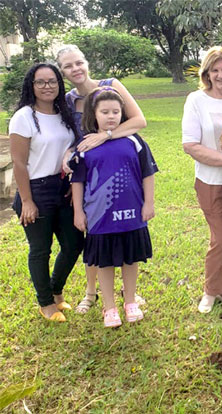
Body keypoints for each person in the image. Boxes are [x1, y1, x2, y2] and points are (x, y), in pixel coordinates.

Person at [56, 44, 149, 313]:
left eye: (78, 62)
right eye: (68, 66)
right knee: (93, 233)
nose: (75, 69)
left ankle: (128, 294)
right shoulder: (68, 100)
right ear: (62, 71)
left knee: (121, 230)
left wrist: (106, 136)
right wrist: (69, 152)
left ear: (86, 62)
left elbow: (138, 121)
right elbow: (75, 137)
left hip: (117, 164)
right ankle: (90, 292)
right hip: (87, 171)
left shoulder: (111, 86)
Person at [70, 88, 158, 328]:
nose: (111, 116)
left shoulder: (134, 142)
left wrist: (148, 203)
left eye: (116, 112)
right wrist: (78, 211)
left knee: (131, 259)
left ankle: (130, 301)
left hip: (132, 212)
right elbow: (77, 181)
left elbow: (148, 174)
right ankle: (109, 307)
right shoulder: (86, 146)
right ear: (94, 114)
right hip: (99, 217)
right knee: (105, 262)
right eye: (105, 112)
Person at [9, 63, 84, 322]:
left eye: (52, 81)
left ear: (58, 84)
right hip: (36, 189)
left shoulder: (63, 112)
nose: (47, 86)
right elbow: (19, 163)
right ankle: (46, 303)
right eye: (40, 82)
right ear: (31, 85)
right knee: (40, 249)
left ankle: (56, 290)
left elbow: (73, 144)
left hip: (63, 187)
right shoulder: (24, 117)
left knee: (74, 243)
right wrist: (27, 201)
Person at [181, 46, 222, 313]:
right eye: (215, 70)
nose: (221, 75)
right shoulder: (196, 100)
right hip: (211, 181)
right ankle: (210, 290)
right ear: (207, 74)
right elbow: (190, 145)